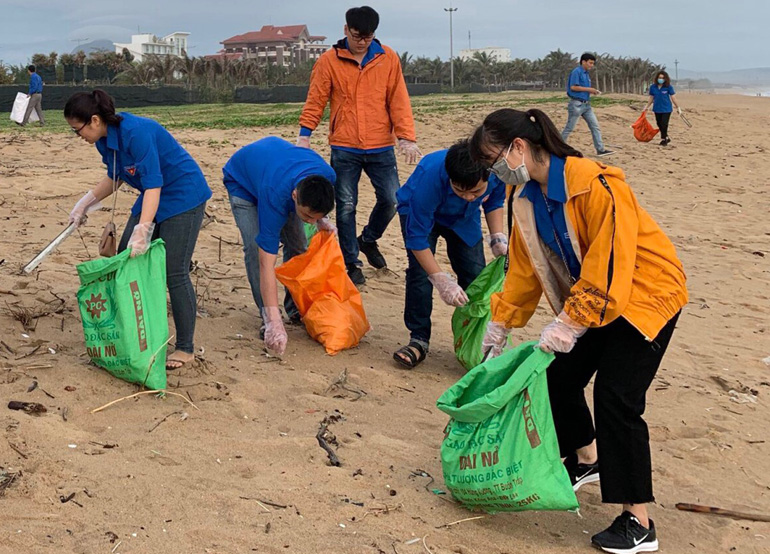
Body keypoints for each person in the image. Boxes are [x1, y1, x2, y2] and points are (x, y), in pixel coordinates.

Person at [470, 108, 687, 554]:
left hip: (646, 295)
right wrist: (500, 323)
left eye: (495, 161)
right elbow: (524, 270)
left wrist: (569, 323)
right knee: (556, 375)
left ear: (519, 148)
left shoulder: (595, 184)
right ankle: (587, 458)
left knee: (617, 397)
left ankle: (639, 522)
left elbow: (611, 265)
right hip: (594, 300)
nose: (495, 173)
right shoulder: (527, 199)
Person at [65, 90, 212, 370]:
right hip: (152, 194)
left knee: (175, 271)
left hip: (183, 194)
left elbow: (155, 184)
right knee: (125, 258)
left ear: (94, 120)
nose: (78, 136)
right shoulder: (103, 141)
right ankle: (135, 333)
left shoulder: (137, 132)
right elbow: (115, 177)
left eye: (78, 129)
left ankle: (185, 348)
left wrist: (144, 229)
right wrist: (85, 203)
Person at [297, 5, 421, 286]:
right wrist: (305, 135)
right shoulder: (329, 61)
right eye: (357, 36)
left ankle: (368, 239)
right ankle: (351, 261)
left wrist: (406, 137)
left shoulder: (388, 58)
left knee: (392, 199)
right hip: (345, 146)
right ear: (345, 31)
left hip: (380, 145)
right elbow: (316, 99)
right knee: (346, 206)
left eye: (367, 36)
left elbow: (398, 100)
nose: (362, 41)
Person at [393, 140, 507, 369]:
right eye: (460, 191)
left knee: (476, 275)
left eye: (475, 191)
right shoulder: (430, 176)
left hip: (464, 220)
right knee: (420, 275)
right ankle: (419, 339)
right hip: (422, 216)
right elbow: (417, 238)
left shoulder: (496, 171)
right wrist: (441, 279)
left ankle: (478, 340)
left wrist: (497, 237)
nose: (467, 196)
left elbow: (494, 201)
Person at [222, 137, 336, 355]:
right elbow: (267, 263)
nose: (310, 221)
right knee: (256, 250)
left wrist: (321, 219)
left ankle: (294, 307)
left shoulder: (327, 176)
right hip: (243, 183)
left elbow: (315, 205)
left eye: (314, 217)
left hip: (274, 167)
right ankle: (267, 316)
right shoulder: (276, 196)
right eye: (307, 216)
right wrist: (274, 319)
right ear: (294, 196)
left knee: (299, 244)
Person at [561, 53, 613, 157]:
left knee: (595, 126)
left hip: (586, 105)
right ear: (583, 61)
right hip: (576, 104)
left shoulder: (586, 73)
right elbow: (573, 87)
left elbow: (582, 89)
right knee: (569, 128)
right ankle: (557, 146)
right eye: (590, 63)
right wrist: (589, 89)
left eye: (593, 63)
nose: (591, 65)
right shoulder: (576, 72)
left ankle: (600, 149)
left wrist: (592, 92)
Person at [644, 70, 682, 146]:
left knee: (664, 123)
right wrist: (647, 107)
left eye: (662, 78)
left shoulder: (668, 87)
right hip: (657, 108)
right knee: (659, 123)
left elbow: (673, 97)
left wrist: (678, 107)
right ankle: (666, 137)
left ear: (665, 79)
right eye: (659, 77)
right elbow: (651, 97)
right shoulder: (653, 87)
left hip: (666, 109)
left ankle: (664, 139)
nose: (660, 79)